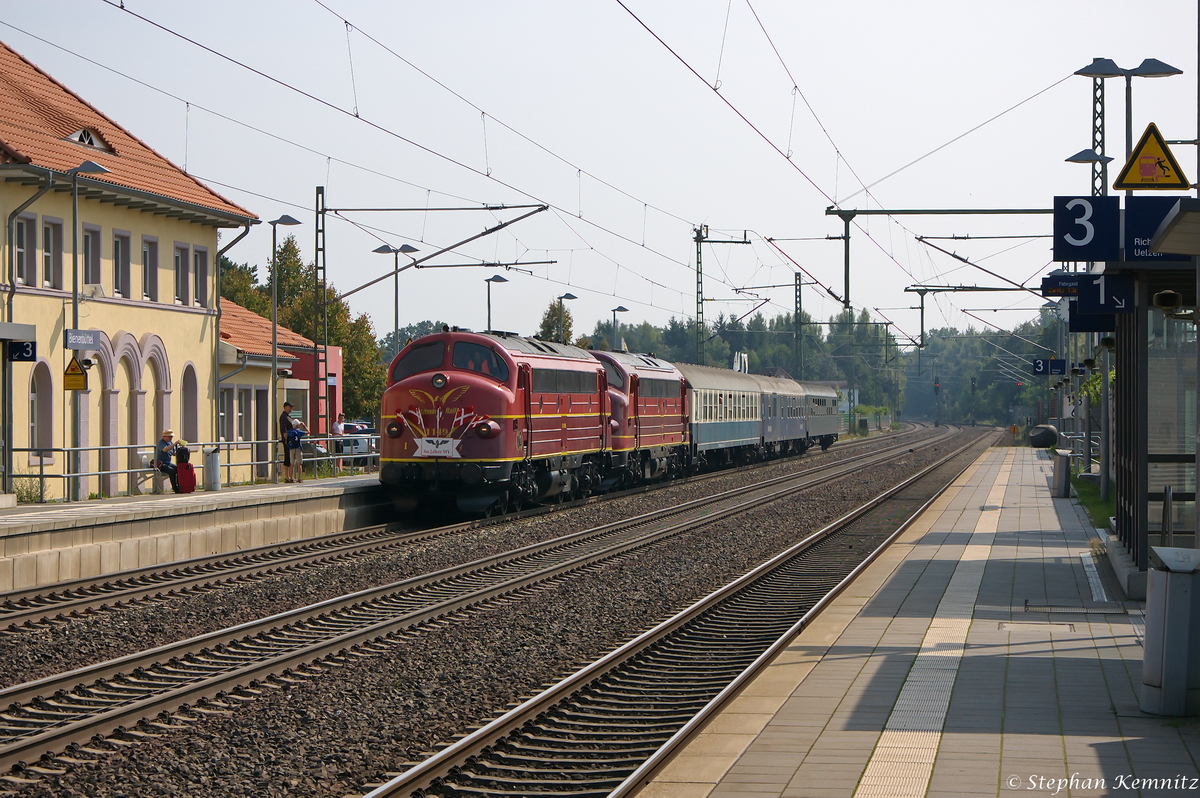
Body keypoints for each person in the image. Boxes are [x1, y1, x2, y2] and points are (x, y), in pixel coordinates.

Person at [156, 429, 180, 493]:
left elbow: (173, 453)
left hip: (168, 462)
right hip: (161, 463)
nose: (171, 438)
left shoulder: (170, 443)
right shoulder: (161, 443)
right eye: (169, 437)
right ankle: (175, 488)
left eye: (171, 437)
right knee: (171, 471)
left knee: (179, 469)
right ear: (164, 437)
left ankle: (180, 485)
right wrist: (174, 444)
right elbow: (164, 450)